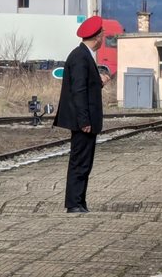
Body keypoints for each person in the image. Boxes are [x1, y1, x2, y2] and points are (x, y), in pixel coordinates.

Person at [53, 16, 110, 213]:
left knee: (85, 162)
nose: (103, 39)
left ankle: (79, 201)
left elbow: (86, 85)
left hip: (85, 121)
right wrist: (84, 120)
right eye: (102, 35)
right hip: (82, 122)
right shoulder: (80, 57)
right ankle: (74, 203)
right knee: (80, 162)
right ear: (97, 37)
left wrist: (99, 81)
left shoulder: (84, 56)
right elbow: (79, 91)